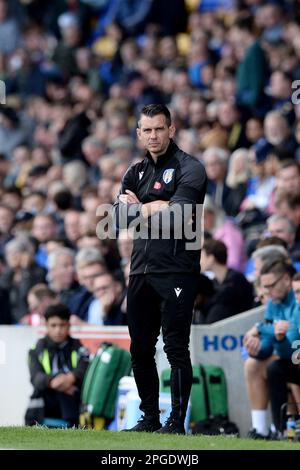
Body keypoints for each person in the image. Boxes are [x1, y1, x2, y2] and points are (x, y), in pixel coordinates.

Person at [113, 104, 207, 434]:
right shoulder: (133, 173)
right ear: (139, 134)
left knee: (175, 347)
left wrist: (145, 207)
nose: (153, 135)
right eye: (147, 130)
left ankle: (177, 422)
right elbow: (115, 221)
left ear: (172, 129)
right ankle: (149, 417)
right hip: (139, 271)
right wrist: (158, 207)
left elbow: (180, 217)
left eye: (159, 128)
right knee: (140, 348)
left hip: (177, 270)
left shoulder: (190, 168)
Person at [243, 259, 298, 439]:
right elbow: (268, 346)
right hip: (290, 357)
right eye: (265, 287)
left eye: (271, 285)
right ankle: (265, 429)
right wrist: (254, 347)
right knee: (255, 364)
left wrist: (259, 329)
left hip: (294, 356)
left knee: (280, 366)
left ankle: (285, 427)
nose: (267, 291)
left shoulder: (296, 300)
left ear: (286, 280)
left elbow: (292, 345)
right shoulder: (273, 304)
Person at [25, 303, 89, 427]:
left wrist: (69, 378)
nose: (58, 330)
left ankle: (71, 424)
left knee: (70, 389)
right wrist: (54, 382)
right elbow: (36, 378)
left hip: (72, 397)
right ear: (46, 326)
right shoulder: (36, 349)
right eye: (53, 325)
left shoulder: (79, 347)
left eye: (62, 325)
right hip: (46, 399)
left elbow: (84, 370)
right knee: (46, 387)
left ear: (69, 325)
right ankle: (70, 424)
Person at [266, 272, 300, 434]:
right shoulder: (298, 310)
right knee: (275, 368)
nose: (298, 296)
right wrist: (278, 337)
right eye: (297, 292)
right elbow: (292, 342)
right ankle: (281, 429)